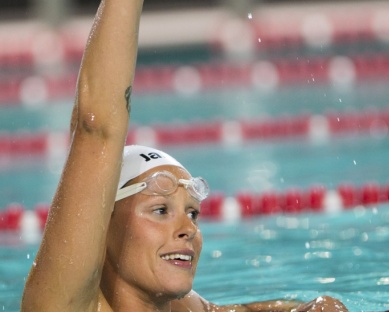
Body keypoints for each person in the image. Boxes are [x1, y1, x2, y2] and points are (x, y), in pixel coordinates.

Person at [21, 0, 348, 311]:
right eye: (161, 210)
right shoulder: (62, 305)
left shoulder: (184, 307)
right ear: (101, 224)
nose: (187, 229)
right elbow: (96, 129)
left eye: (193, 214)